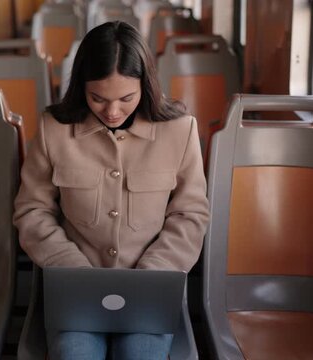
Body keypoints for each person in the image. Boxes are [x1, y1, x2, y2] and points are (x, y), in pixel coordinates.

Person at [13, 21, 210, 360]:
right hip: (74, 289)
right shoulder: (54, 130)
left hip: (152, 290)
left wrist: (152, 276)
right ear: (81, 88)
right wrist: (73, 271)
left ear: (145, 87)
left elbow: (190, 214)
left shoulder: (180, 130)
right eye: (98, 98)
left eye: (126, 98)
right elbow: (32, 210)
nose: (112, 111)